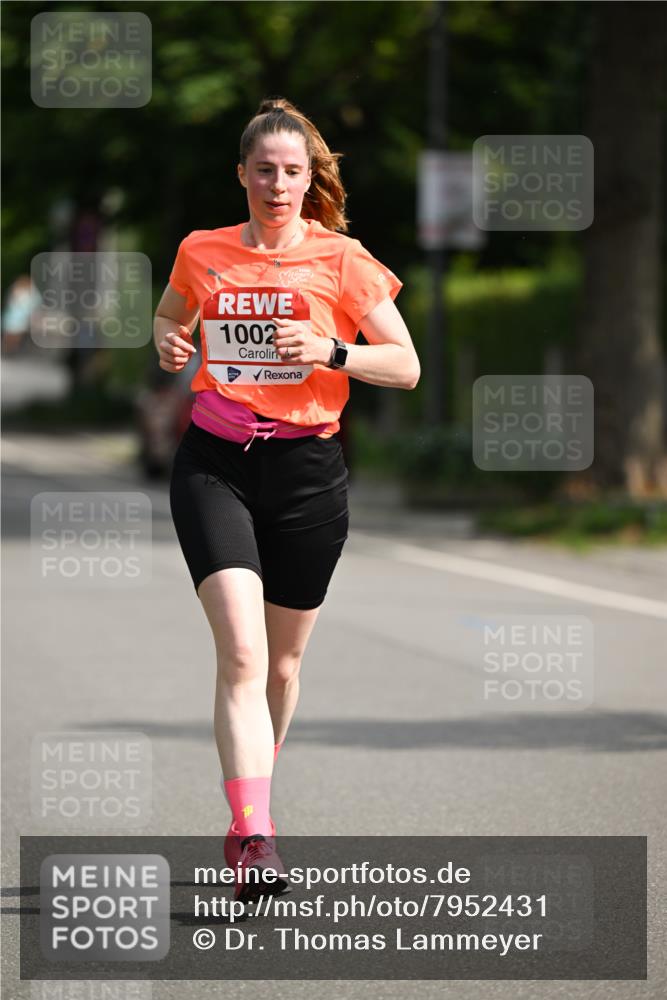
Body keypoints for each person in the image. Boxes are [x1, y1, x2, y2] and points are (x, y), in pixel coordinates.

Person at [154, 97, 420, 904]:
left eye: (292, 172)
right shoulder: (202, 252)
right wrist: (166, 339)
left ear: (310, 181)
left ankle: (252, 809)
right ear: (241, 174)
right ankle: (254, 837)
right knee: (238, 652)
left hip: (307, 470)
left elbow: (404, 365)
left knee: (279, 663)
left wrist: (333, 349)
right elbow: (171, 319)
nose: (277, 184)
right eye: (263, 170)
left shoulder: (342, 261)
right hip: (215, 463)